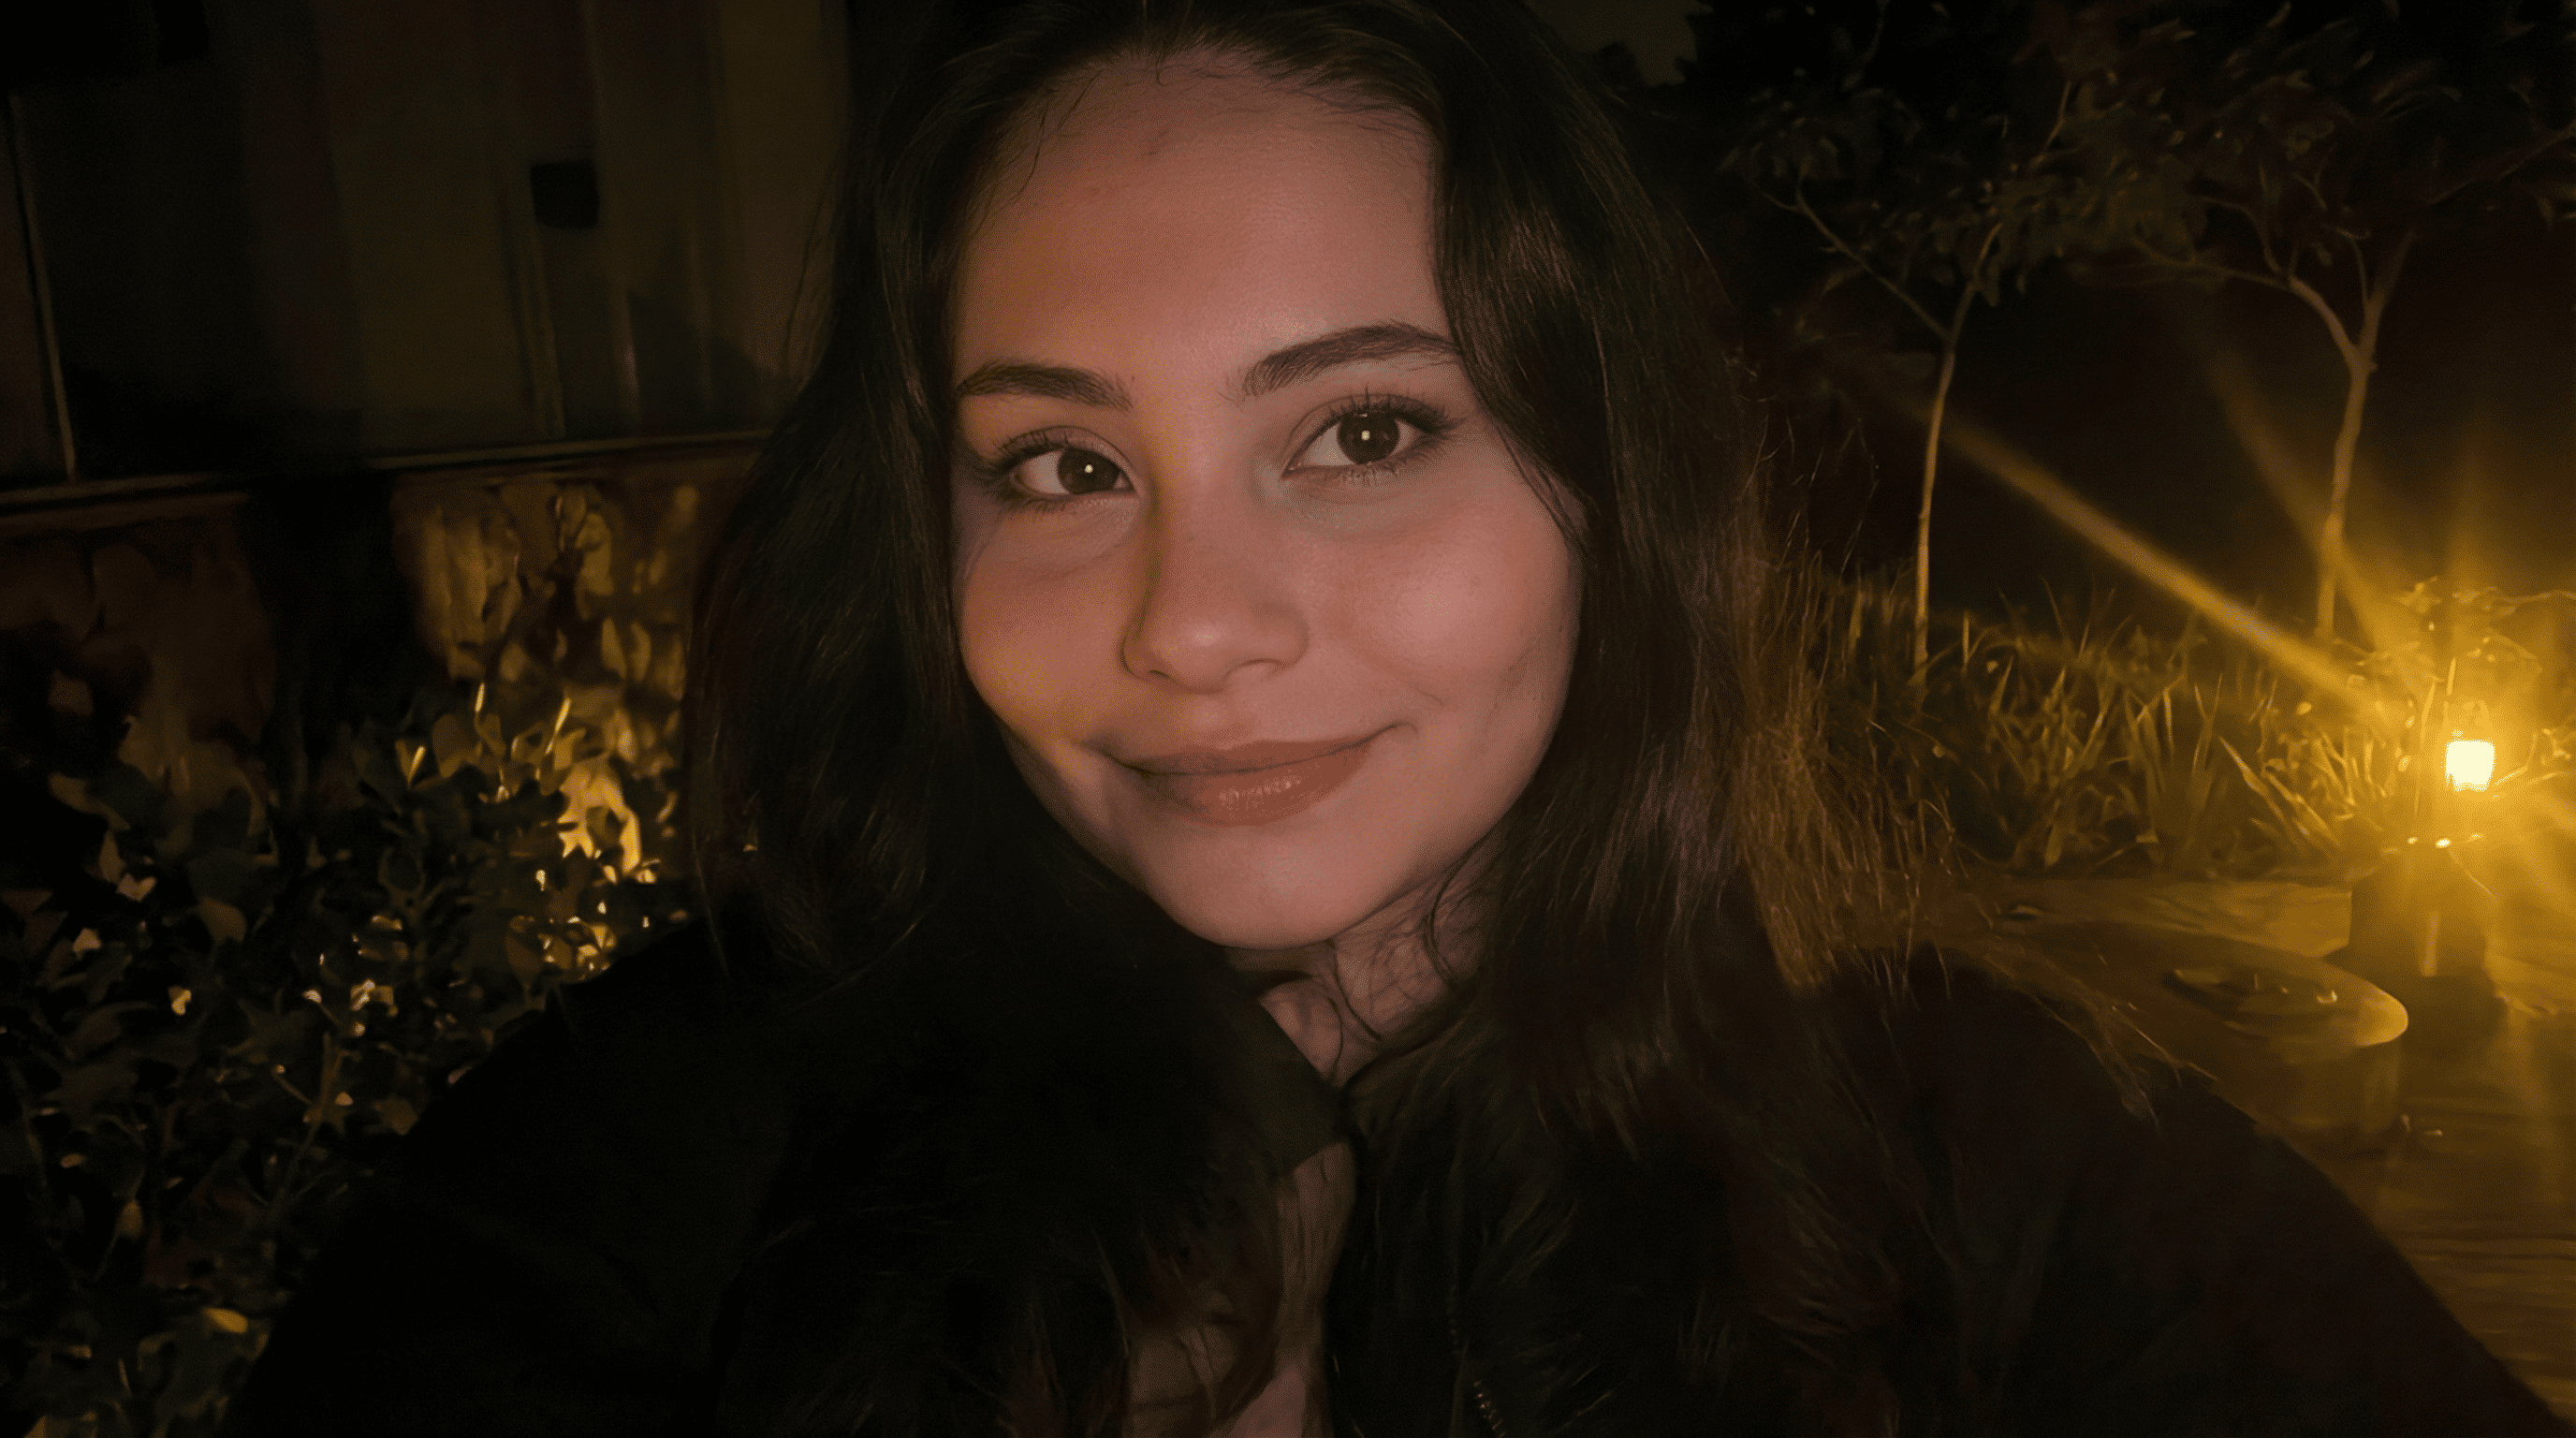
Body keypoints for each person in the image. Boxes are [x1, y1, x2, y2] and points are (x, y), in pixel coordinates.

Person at [226, 1, 2569, 1433]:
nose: (1191, 627)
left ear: (1610, 490)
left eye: (1359, 432)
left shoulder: (1995, 1147)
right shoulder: (659, 1159)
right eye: (1061, 467)